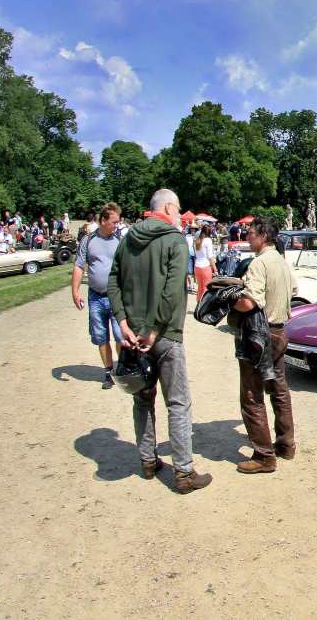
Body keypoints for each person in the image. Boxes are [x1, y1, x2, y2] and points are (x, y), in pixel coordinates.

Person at [106, 188, 211, 494]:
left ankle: (148, 460)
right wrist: (151, 331)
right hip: (164, 335)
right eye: (178, 210)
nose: (181, 216)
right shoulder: (174, 240)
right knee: (178, 403)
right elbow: (172, 291)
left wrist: (124, 323)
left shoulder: (126, 239)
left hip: (132, 334)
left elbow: (113, 281)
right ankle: (184, 472)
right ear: (167, 208)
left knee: (142, 399)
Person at [229, 216, 297, 473]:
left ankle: (264, 455)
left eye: (251, 233)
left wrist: (225, 299)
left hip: (259, 334)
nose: (247, 236)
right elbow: (293, 289)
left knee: (251, 395)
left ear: (264, 236)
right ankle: (286, 444)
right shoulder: (280, 260)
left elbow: (249, 303)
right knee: (279, 389)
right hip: (278, 331)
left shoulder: (259, 263)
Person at [71, 202, 123, 389]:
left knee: (120, 335)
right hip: (96, 297)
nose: (117, 225)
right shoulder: (89, 240)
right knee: (101, 336)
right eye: (114, 222)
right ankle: (108, 372)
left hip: (116, 296)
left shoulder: (119, 240)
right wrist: (75, 292)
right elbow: (79, 266)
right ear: (103, 221)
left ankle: (122, 367)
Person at [194, 224, 216, 303]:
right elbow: (210, 257)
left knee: (200, 287)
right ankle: (203, 307)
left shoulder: (197, 239)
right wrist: (215, 269)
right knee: (206, 289)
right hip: (205, 266)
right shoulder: (208, 240)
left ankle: (198, 305)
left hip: (197, 266)